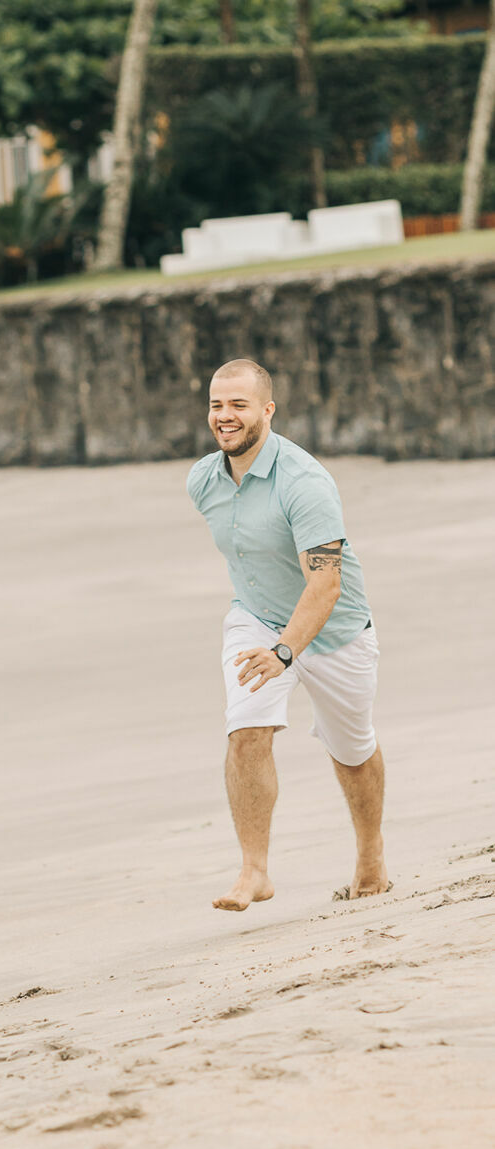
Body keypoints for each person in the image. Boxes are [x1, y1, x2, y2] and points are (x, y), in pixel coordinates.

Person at [187, 359, 389, 912]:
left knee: (351, 748)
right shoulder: (203, 480)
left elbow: (326, 583)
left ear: (267, 411)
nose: (224, 417)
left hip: (335, 630)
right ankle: (254, 870)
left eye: (238, 405)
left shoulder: (304, 482)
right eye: (216, 405)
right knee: (246, 729)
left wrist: (286, 650)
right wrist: (268, 641)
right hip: (254, 616)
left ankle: (371, 856)